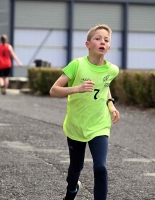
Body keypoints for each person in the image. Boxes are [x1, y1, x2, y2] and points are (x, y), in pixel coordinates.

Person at [50, 24, 120, 200]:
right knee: (76, 168)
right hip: (77, 125)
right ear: (88, 44)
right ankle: (72, 189)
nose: (102, 42)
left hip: (99, 124)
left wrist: (111, 104)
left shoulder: (112, 70)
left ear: (109, 47)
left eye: (106, 40)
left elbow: (104, 85)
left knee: (101, 167)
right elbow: (54, 90)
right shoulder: (77, 65)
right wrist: (77, 89)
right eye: (98, 38)